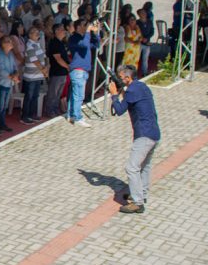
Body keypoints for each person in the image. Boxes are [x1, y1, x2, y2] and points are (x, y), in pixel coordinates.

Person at [108, 66, 161, 214]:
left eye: (120, 77)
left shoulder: (132, 90)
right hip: (154, 133)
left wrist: (113, 95)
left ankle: (137, 203)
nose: (119, 79)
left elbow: (119, 110)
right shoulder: (141, 86)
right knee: (144, 166)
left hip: (143, 135)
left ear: (127, 78)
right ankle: (141, 194)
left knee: (132, 167)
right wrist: (122, 91)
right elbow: (131, 99)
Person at [67, 19, 101, 128]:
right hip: (78, 70)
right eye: (83, 25)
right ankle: (77, 117)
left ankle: (71, 115)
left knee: (75, 95)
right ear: (77, 27)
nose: (86, 27)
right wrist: (87, 32)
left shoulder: (84, 37)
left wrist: (95, 34)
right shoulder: (74, 38)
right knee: (79, 95)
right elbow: (85, 45)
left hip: (83, 70)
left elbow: (96, 45)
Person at [21, 27, 48, 124]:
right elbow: (34, 60)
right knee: (29, 96)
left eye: (38, 32)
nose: (37, 34)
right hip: (31, 76)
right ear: (30, 35)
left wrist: (45, 68)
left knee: (35, 96)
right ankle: (25, 116)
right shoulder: (29, 45)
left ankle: (32, 114)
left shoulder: (37, 44)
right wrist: (44, 70)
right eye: (34, 32)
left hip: (38, 75)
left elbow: (43, 57)